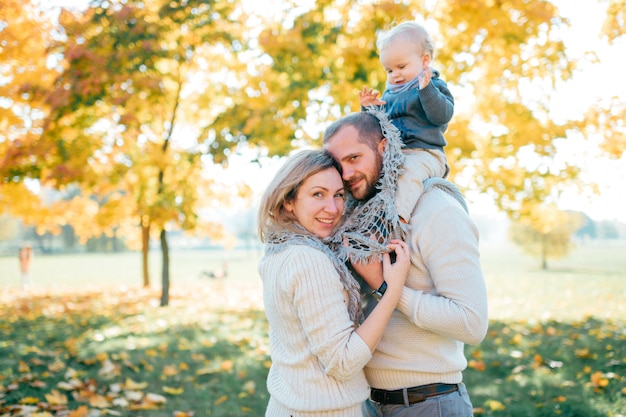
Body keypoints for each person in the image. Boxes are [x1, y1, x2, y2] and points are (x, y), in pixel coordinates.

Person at [323, 111, 488, 417]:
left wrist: (386, 287)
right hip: (366, 403)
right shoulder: (357, 217)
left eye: (355, 158)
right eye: (337, 164)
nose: (346, 174)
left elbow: (472, 323)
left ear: (383, 148)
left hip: (429, 403)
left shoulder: (438, 211)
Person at [257, 149, 411, 417]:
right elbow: (343, 362)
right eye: (318, 194)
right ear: (288, 201)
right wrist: (393, 290)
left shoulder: (280, 250)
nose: (333, 209)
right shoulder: (308, 260)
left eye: (339, 195)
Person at [354, 20, 455, 287]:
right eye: (389, 69)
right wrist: (368, 109)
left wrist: (426, 89)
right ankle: (365, 226)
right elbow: (378, 129)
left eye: (401, 67)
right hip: (397, 156)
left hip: (425, 153)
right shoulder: (390, 93)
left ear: (425, 61)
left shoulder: (433, 86)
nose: (395, 75)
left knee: (408, 174)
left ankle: (395, 221)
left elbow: (441, 115)